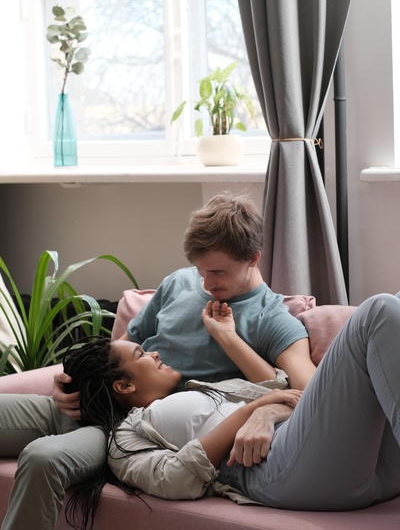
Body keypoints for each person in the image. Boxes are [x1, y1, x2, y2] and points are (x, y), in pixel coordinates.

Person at [0, 191, 316, 530]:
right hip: (89, 399)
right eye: (201, 270)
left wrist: (228, 339)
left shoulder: (272, 318)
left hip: (127, 429)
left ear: (253, 258)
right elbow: (122, 347)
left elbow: (313, 393)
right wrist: (69, 380)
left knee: (42, 459)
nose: (207, 283)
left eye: (218, 272)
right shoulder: (179, 282)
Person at [29, 291, 400, 529]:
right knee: (378, 310)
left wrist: (266, 412)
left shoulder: (205, 387)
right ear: (124, 386)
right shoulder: (125, 438)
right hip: (280, 470)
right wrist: (251, 411)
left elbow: (295, 396)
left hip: (367, 463)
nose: (154, 353)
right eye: (141, 354)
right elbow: (175, 479)